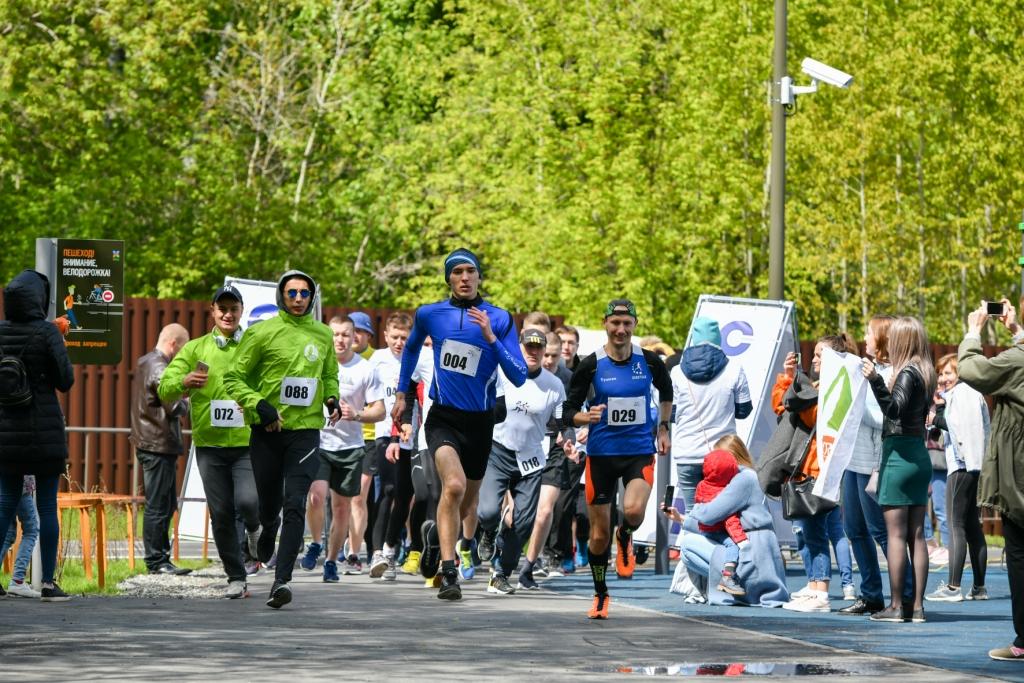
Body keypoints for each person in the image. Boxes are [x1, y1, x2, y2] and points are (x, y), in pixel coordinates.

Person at [392, 248, 527, 600]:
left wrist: (492, 340)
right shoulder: (430, 314)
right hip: (444, 417)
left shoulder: (498, 318)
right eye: (457, 272)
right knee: (452, 487)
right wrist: (402, 393)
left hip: (480, 423)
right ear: (449, 279)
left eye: (471, 271)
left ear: (480, 277)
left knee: (467, 506)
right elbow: (409, 350)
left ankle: (436, 537)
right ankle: (449, 574)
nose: (465, 278)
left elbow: (519, 375)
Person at [223, 270, 340, 609]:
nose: (299, 299)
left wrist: (331, 398)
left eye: (305, 293)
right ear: (281, 296)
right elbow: (233, 377)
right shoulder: (262, 333)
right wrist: (260, 406)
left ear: (312, 297)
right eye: (293, 293)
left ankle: (282, 581)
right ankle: (265, 528)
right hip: (267, 431)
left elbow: (329, 373)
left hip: (304, 432)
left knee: (296, 502)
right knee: (270, 505)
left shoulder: (322, 334)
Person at [562, 298, 672, 619]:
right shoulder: (590, 364)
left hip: (638, 451)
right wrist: (586, 417)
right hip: (602, 456)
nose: (621, 329)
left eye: (627, 324)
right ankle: (600, 594)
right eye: (615, 323)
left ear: (635, 325)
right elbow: (567, 412)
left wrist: (663, 427)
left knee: (634, 511)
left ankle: (625, 535)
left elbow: (666, 391)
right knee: (598, 535)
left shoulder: (649, 361)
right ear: (605, 324)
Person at [158, 286, 260, 598]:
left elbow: (273, 381)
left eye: (234, 308)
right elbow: (164, 388)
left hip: (247, 442)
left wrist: (257, 402)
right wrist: (183, 382)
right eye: (223, 309)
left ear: (241, 311)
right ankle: (236, 576)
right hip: (210, 445)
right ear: (212, 311)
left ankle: (255, 531)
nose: (228, 314)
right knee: (221, 513)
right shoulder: (196, 349)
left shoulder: (256, 345)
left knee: (248, 502)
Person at [954, 299, 1024, 660]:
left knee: (1019, 556)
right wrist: (1016, 332)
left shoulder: (1017, 360)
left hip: (1020, 479)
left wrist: (973, 331)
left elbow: (972, 370)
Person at [0, 269, 75, 601]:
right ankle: (47, 583)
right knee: (46, 505)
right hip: (44, 434)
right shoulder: (47, 332)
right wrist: (59, 341)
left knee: (3, 505)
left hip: (7, 435)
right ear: (39, 300)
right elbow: (65, 380)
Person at [476, 328, 568, 595]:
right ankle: (489, 532)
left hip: (531, 459)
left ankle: (501, 573)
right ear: (519, 348)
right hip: (498, 450)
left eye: (539, 348)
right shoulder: (503, 373)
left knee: (524, 523)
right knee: (488, 512)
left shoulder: (554, 385)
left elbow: (561, 421)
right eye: (529, 347)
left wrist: (567, 437)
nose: (534, 352)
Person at [773, 335, 858, 613]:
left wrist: (795, 387)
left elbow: (805, 413)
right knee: (809, 532)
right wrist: (790, 378)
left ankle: (821, 590)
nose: (814, 359)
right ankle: (813, 585)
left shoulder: (834, 389)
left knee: (818, 534)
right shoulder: (819, 386)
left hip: (819, 471)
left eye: (821, 355)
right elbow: (783, 406)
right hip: (809, 469)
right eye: (816, 354)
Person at [861, 316, 935, 624]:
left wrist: (875, 382)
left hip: (898, 455)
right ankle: (916, 606)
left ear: (902, 341)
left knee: (896, 533)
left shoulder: (906, 373)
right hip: (918, 454)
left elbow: (894, 409)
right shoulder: (926, 372)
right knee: (917, 535)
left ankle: (894, 606)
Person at [839, 314, 914, 616]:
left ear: (883, 338)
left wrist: (852, 408)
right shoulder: (864, 368)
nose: (865, 338)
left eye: (869, 333)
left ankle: (906, 594)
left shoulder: (893, 373)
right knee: (854, 529)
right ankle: (871, 594)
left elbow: (887, 417)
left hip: (875, 461)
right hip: (853, 459)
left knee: (881, 531)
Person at [302, 315, 385, 583]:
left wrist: (357, 414)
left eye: (345, 335)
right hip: (320, 443)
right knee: (316, 496)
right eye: (335, 334)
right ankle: (315, 542)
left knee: (341, 509)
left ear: (354, 338)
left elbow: (380, 411)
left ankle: (330, 561)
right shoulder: (315, 364)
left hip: (350, 447)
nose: (339, 339)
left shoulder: (366, 369)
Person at [666, 434, 789, 607]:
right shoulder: (752, 476)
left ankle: (730, 587)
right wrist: (681, 519)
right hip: (758, 551)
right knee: (697, 541)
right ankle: (718, 586)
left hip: (751, 553)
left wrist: (696, 508)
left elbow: (709, 516)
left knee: (687, 545)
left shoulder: (743, 479)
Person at [670, 317, 752, 511]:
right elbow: (744, 411)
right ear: (718, 339)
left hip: (687, 454)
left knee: (691, 515)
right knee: (722, 515)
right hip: (722, 455)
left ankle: (691, 542)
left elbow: (671, 414)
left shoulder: (676, 372)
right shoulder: (734, 368)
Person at [926, 352, 989, 603]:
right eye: (940, 373)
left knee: (956, 524)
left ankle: (953, 587)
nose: (943, 378)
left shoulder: (963, 394)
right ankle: (979, 586)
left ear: (961, 374)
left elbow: (959, 428)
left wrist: (935, 418)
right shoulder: (968, 395)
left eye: (948, 373)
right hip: (972, 465)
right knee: (972, 525)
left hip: (962, 465)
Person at [130, 322, 191, 576]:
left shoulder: (146, 362)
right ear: (173, 344)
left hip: (151, 441)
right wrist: (187, 400)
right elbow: (173, 406)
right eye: (183, 348)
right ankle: (156, 561)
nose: (183, 355)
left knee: (164, 503)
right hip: (157, 443)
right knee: (159, 504)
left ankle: (161, 559)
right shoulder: (160, 367)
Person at [520, 331, 578, 586]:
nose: (547, 361)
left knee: (546, 511)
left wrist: (570, 437)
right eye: (547, 356)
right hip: (523, 448)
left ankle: (531, 565)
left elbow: (572, 417)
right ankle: (504, 549)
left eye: (553, 356)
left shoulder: (566, 380)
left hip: (555, 449)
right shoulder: (518, 375)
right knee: (517, 514)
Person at [367, 312, 414, 580]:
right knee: (388, 489)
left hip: (409, 435)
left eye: (404, 338)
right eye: (394, 337)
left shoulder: (415, 360)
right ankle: (377, 552)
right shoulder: (377, 360)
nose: (399, 342)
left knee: (404, 495)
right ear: (385, 336)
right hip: (384, 433)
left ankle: (391, 547)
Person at [346, 310, 378, 572]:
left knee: (359, 496)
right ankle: (340, 543)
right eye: (350, 329)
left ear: (368, 334)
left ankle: (355, 552)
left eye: (360, 330)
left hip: (370, 437)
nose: (354, 335)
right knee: (339, 498)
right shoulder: (335, 357)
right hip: (336, 437)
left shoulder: (376, 360)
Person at [693, 450, 749, 596]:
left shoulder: (701, 485)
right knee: (732, 546)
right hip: (717, 530)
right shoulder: (725, 492)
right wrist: (741, 540)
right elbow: (730, 519)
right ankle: (728, 575)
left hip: (703, 528)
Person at [0, 475, 40, 598]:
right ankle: (18, 580)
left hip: (4, 483)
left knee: (7, 532)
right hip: (20, 485)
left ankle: (17, 581)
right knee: (31, 530)